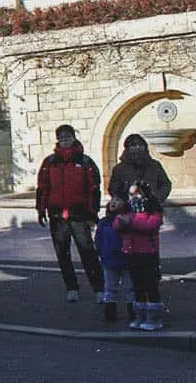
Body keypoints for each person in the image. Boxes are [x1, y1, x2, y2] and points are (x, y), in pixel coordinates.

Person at [36, 124, 105, 302]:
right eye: (62, 137)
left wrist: (93, 212)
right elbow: (43, 187)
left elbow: (94, 188)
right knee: (62, 253)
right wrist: (41, 209)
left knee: (88, 252)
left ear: (74, 138)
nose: (65, 140)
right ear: (58, 140)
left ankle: (99, 288)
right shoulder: (50, 162)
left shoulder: (85, 161)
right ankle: (71, 287)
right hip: (57, 215)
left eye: (68, 137)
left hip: (79, 214)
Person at [115, 180, 165, 331]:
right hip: (132, 252)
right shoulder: (127, 211)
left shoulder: (152, 210)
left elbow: (151, 225)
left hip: (148, 253)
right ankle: (140, 316)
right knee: (137, 287)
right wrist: (124, 220)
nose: (133, 197)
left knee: (150, 285)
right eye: (131, 194)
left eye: (136, 193)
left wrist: (131, 221)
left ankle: (153, 318)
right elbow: (117, 225)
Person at [95, 198, 134, 323]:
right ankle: (129, 312)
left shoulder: (105, 222)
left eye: (117, 200)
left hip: (113, 259)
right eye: (113, 200)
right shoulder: (127, 221)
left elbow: (98, 241)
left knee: (113, 288)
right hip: (121, 259)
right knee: (126, 288)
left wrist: (101, 253)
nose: (113, 202)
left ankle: (112, 313)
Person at [107, 133, 172, 204]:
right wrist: (125, 200)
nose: (137, 148)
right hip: (128, 209)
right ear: (128, 149)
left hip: (152, 208)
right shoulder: (120, 169)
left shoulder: (154, 165)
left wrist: (157, 198)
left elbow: (166, 184)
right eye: (133, 146)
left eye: (140, 145)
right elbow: (113, 189)